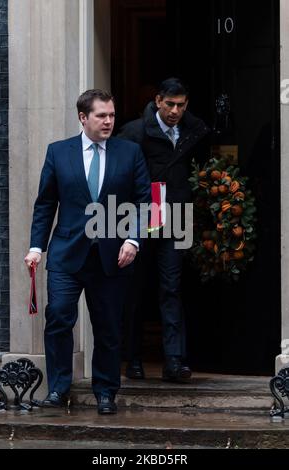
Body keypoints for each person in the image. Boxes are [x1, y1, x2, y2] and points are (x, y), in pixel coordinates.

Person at [24, 89, 151, 414]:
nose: (109, 121)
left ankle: (106, 392)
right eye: (101, 116)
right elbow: (45, 204)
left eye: (111, 115)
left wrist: (133, 240)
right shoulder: (59, 152)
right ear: (83, 117)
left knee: (108, 326)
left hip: (113, 256)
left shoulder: (130, 152)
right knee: (59, 318)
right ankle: (58, 388)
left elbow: (143, 202)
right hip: (67, 254)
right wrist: (36, 247)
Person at [118, 77, 210, 382]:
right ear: (157, 101)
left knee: (172, 287)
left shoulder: (192, 130)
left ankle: (174, 360)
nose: (174, 111)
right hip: (144, 215)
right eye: (169, 104)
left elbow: (204, 156)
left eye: (181, 105)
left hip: (178, 216)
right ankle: (133, 358)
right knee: (137, 289)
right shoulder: (134, 131)